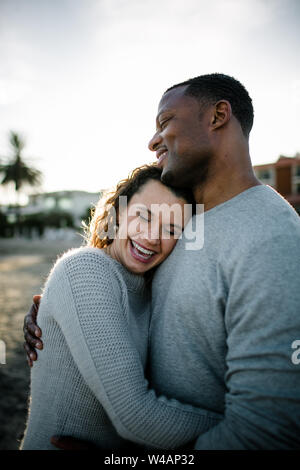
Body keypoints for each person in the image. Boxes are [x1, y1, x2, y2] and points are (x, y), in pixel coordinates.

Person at [24, 73, 300, 449]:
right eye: (144, 216)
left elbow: (268, 428)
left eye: (165, 122)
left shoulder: (272, 234)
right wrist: (55, 315)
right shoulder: (196, 219)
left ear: (218, 115)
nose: (153, 140)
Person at [21, 164, 223, 450]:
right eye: (144, 216)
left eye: (171, 229)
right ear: (117, 214)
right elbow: (135, 417)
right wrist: (251, 427)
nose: (152, 237)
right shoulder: (85, 269)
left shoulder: (149, 289)